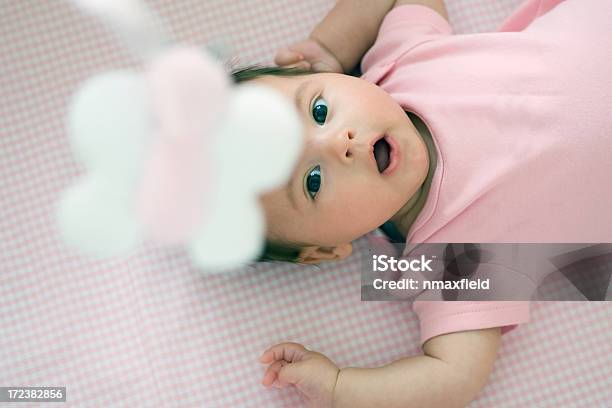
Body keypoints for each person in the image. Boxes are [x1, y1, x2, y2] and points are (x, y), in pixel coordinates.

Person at [239, 0, 612, 406]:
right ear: (326, 249)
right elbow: (455, 376)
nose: (337, 143)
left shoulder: (399, 62)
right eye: (313, 182)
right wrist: (339, 387)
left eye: (320, 109)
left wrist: (329, 45)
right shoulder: (446, 258)